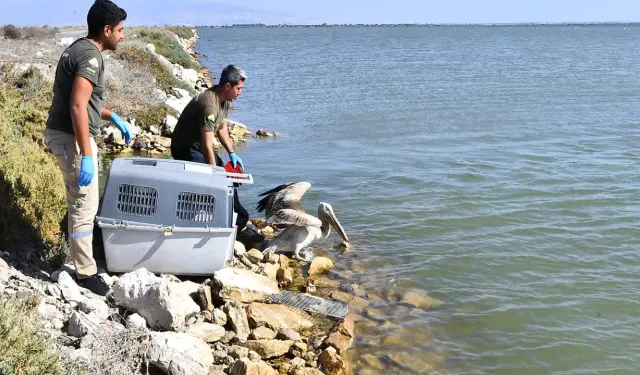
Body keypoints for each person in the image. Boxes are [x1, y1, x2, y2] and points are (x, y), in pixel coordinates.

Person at [44, 0, 131, 296]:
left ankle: (83, 250)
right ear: (106, 30)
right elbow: (78, 105)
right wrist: (88, 155)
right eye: (120, 30)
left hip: (66, 135)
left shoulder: (78, 47)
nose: (122, 35)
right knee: (83, 204)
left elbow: (87, 101)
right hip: (71, 138)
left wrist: (111, 116)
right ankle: (85, 273)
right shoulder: (91, 57)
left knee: (82, 200)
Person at [171, 65, 251, 233]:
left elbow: (221, 128)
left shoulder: (224, 101)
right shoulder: (210, 106)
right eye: (238, 88)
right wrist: (213, 172)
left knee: (227, 179)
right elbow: (207, 143)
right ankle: (199, 219)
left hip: (198, 146)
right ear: (227, 86)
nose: (240, 93)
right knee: (214, 181)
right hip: (184, 148)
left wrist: (232, 153)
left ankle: (239, 220)